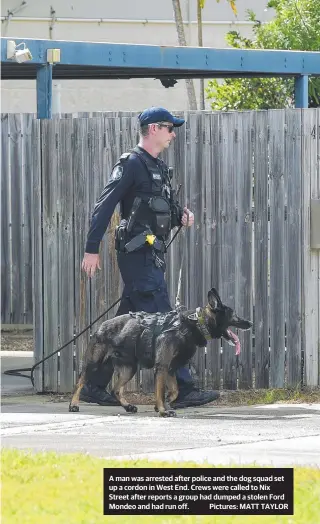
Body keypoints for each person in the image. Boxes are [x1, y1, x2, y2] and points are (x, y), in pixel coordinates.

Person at [80, 107, 220, 408]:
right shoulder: (130, 163)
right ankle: (183, 389)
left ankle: (94, 384)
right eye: (170, 128)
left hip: (151, 256)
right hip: (137, 257)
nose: (173, 134)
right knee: (167, 321)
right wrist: (92, 248)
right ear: (154, 128)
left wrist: (181, 216)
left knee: (128, 319)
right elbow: (104, 206)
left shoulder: (158, 167)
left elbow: (159, 212)